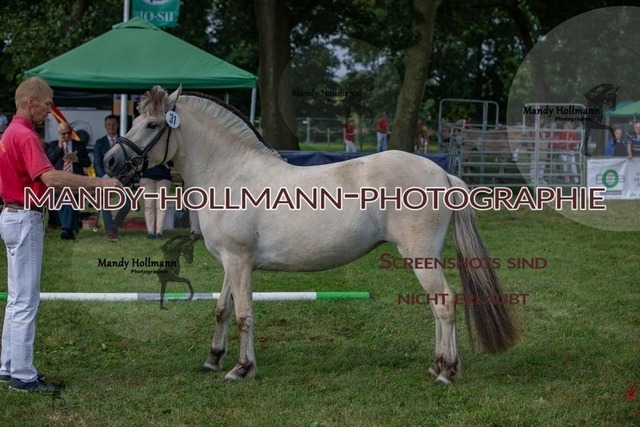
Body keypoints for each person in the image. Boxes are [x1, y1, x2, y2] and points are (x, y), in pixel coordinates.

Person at [0, 77, 121, 393]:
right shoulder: (26, 136)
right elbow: (51, 178)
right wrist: (101, 184)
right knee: (26, 300)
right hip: (25, 217)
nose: (48, 111)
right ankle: (22, 375)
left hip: (12, 214)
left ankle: (9, 367)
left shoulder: (9, 133)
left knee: (16, 298)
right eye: (46, 104)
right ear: (31, 101)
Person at [46, 122, 91, 239]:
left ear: (72, 132)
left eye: (68, 133)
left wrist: (78, 160)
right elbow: (49, 161)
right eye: (63, 134)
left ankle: (67, 228)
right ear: (59, 134)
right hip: (59, 180)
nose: (66, 136)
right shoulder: (53, 145)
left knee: (70, 198)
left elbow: (88, 162)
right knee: (66, 198)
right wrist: (60, 147)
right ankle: (68, 228)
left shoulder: (79, 145)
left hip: (75, 178)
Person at [93, 114, 131, 242]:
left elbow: (128, 163)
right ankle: (110, 231)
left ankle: (115, 225)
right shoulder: (99, 143)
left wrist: (121, 178)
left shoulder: (124, 142)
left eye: (114, 124)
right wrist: (105, 179)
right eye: (109, 124)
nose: (111, 127)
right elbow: (97, 163)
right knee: (105, 203)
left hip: (121, 179)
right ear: (105, 126)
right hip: (105, 178)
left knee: (128, 203)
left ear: (118, 125)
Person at [140, 164, 173, 239]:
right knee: (149, 205)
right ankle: (151, 232)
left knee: (160, 206)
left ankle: (158, 232)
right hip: (149, 176)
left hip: (162, 176)